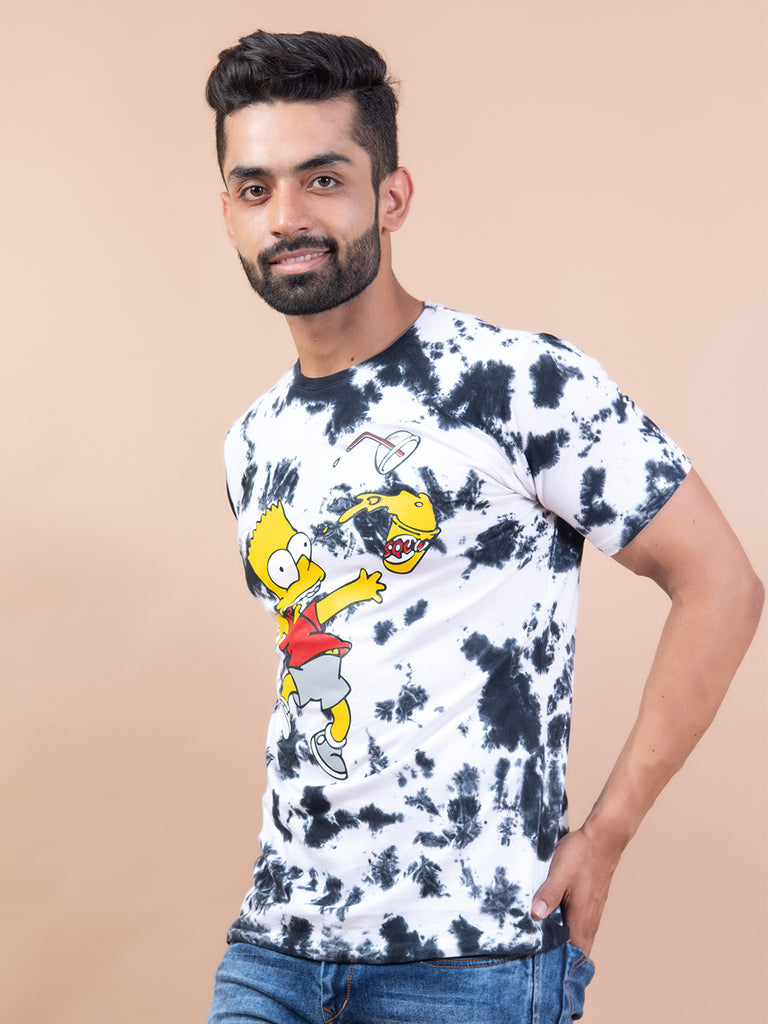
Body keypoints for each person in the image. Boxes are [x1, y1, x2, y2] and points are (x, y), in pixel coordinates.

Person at [203, 30, 763, 1024]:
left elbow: (721, 582)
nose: (287, 216)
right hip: (277, 945)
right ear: (230, 213)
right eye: (256, 188)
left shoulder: (515, 382)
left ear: (392, 196)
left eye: (323, 179)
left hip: (473, 959)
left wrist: (607, 834)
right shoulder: (253, 439)